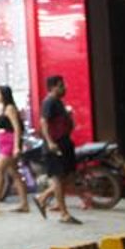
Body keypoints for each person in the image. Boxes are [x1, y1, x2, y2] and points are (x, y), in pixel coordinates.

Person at [34, 74, 80, 224]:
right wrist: (50, 142)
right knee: (58, 178)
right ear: (53, 87)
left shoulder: (58, 102)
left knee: (68, 176)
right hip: (55, 146)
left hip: (64, 143)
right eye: (61, 85)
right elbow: (44, 122)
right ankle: (64, 214)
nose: (64, 87)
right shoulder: (49, 102)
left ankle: (43, 198)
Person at [0, 84, 29, 214]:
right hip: (2, 141)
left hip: (10, 141)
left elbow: (17, 127)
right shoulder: (0, 109)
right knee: (14, 173)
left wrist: (16, 146)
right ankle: (24, 203)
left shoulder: (9, 108)